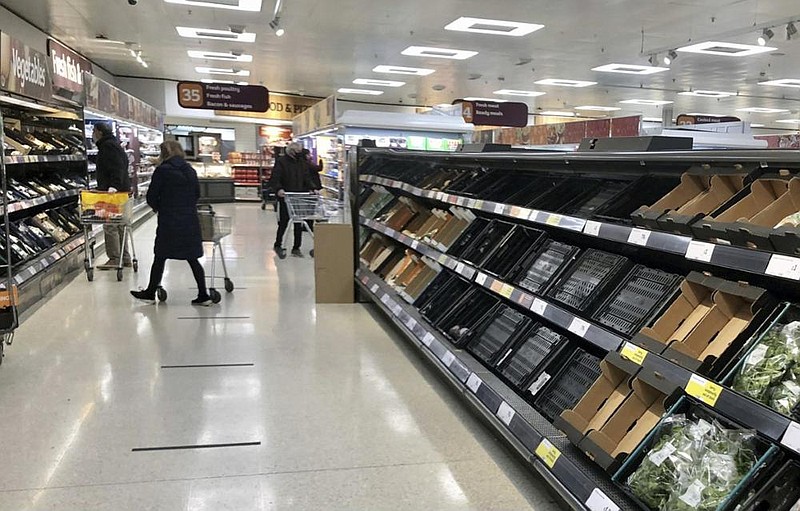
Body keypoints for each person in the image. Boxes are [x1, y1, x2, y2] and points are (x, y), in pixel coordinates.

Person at [130, 141, 212, 306]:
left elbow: (152, 196)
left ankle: (150, 292)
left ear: (163, 154)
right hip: (189, 219)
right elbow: (197, 193)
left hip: (169, 220)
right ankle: (203, 294)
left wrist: (160, 207)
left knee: (160, 256)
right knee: (192, 257)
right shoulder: (190, 170)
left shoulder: (162, 171)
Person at [270, 142, 321, 258]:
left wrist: (313, 188)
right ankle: (278, 244)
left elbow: (307, 177)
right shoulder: (281, 162)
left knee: (298, 221)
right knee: (284, 221)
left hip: (299, 195)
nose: (300, 154)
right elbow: (275, 177)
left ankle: (296, 247)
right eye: (298, 151)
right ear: (292, 151)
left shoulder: (301, 163)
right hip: (286, 196)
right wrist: (279, 189)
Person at [93, 122, 132, 269]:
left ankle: (115, 258)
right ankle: (125, 257)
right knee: (121, 225)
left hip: (113, 194)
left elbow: (117, 167)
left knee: (110, 225)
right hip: (120, 192)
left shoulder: (107, 146)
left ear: (99, 132)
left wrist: (113, 187)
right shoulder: (113, 144)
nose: (93, 134)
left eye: (94, 131)